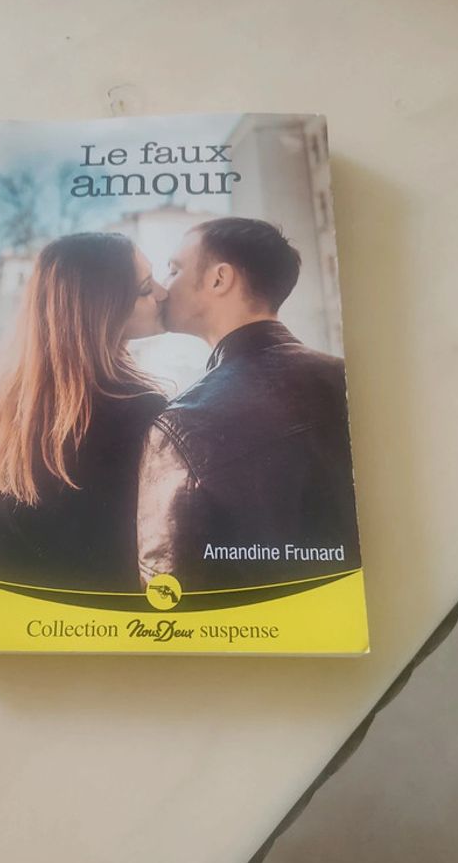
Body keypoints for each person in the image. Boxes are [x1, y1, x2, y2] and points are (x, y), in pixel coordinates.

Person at [137, 217, 361, 591]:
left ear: (219, 279)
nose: (162, 289)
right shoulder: (350, 380)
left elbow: (168, 594)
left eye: (174, 270)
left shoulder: (180, 424)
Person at [0, 232, 168, 591]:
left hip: (2, 613)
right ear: (102, 307)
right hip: (103, 620)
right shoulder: (142, 412)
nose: (162, 293)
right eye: (146, 288)